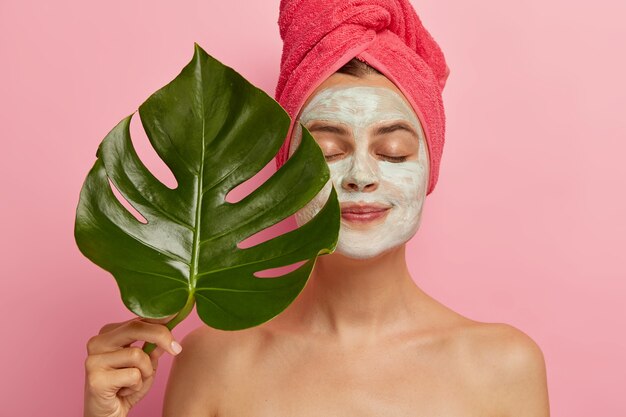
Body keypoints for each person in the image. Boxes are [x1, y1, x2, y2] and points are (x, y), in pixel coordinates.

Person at [83, 2, 550, 417]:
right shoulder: (212, 359)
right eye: (327, 150)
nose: (361, 175)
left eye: (393, 150)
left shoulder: (503, 366)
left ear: (430, 169)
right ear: (289, 171)